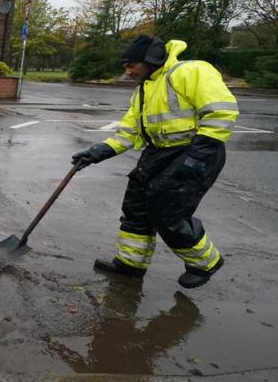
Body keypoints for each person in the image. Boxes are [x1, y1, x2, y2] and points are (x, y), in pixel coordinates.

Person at [72, 34, 239, 289]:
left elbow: (222, 112)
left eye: (131, 66)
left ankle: (205, 262)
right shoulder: (144, 89)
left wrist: (197, 157)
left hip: (194, 152)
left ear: (150, 60)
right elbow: (129, 132)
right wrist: (96, 153)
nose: (127, 72)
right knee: (136, 205)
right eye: (125, 66)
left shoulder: (190, 72)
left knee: (167, 211)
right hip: (157, 153)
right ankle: (131, 264)